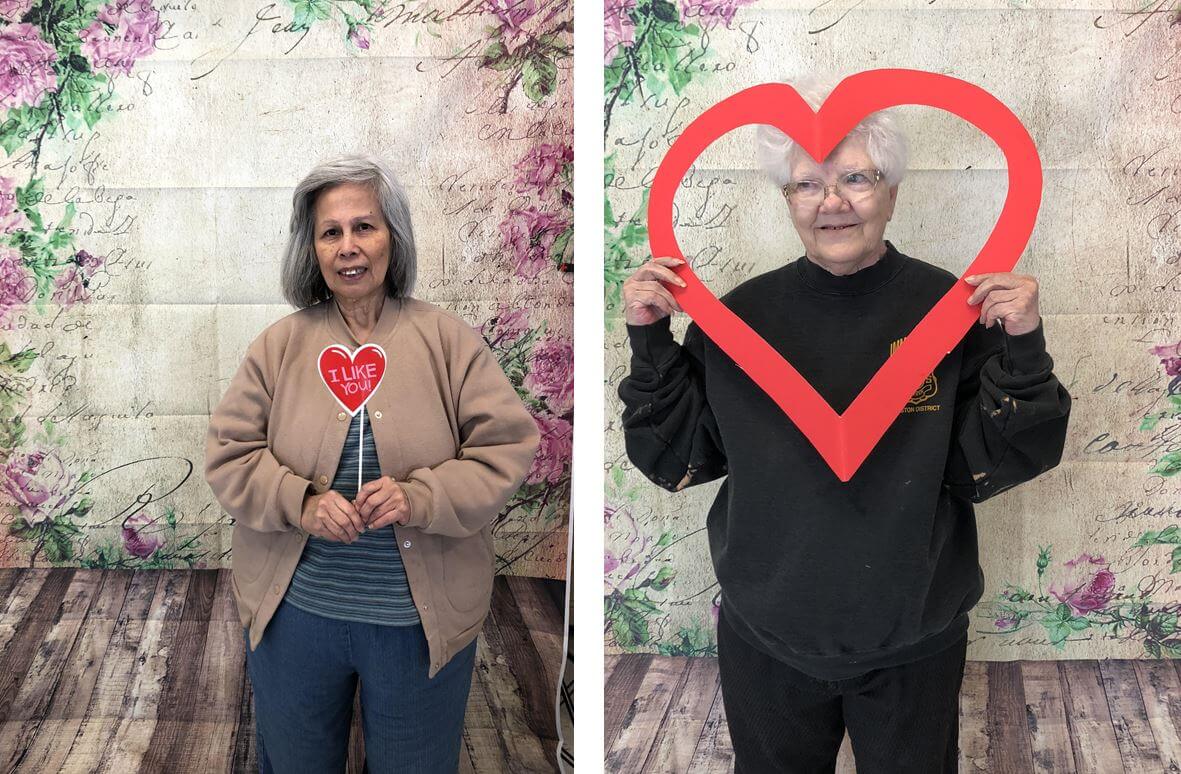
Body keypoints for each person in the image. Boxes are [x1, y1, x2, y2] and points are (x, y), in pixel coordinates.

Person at [618, 76, 1071, 773]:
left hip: (913, 640)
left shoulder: (950, 311)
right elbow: (678, 459)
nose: (831, 202)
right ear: (787, 201)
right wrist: (650, 341)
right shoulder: (736, 318)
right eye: (807, 185)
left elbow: (998, 461)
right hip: (766, 639)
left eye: (855, 178)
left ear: (891, 192)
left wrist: (1023, 344)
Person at [204, 154, 539, 773]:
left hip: (417, 628)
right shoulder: (278, 346)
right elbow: (229, 454)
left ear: (394, 238)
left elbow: (507, 446)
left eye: (366, 227)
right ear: (312, 249)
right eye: (330, 232)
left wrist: (421, 498)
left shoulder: (448, 339)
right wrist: (299, 502)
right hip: (294, 618)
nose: (348, 247)